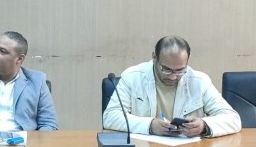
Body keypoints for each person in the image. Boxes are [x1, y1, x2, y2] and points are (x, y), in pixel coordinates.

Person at [103, 36, 241, 138]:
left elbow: (233, 119)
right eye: (166, 69)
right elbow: (110, 117)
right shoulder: (132, 77)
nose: (173, 76)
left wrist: (204, 125)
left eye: (180, 70)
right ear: (154, 57)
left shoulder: (199, 81)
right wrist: (150, 125)